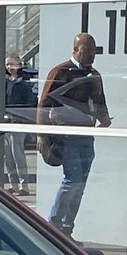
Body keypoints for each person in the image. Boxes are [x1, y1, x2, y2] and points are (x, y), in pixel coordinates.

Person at [39, 31, 109, 232]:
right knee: (73, 180)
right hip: (67, 137)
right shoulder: (62, 72)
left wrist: (104, 118)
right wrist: (42, 135)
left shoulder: (94, 75)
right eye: (87, 50)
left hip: (87, 136)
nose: (91, 55)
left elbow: (100, 100)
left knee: (81, 185)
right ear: (75, 50)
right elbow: (44, 104)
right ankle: (54, 225)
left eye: (94, 51)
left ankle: (67, 229)